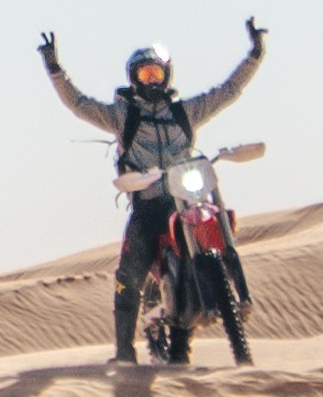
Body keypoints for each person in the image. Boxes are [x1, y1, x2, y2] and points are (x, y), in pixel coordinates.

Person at [40, 23, 263, 363]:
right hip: (149, 203)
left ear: (167, 75)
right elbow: (79, 104)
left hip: (187, 197)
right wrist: (55, 68)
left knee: (221, 220)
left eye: (156, 73)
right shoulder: (122, 116)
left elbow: (227, 91)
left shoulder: (184, 112)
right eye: (144, 74)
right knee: (129, 275)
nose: (151, 80)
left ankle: (238, 298)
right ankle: (125, 352)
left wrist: (255, 54)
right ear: (133, 79)